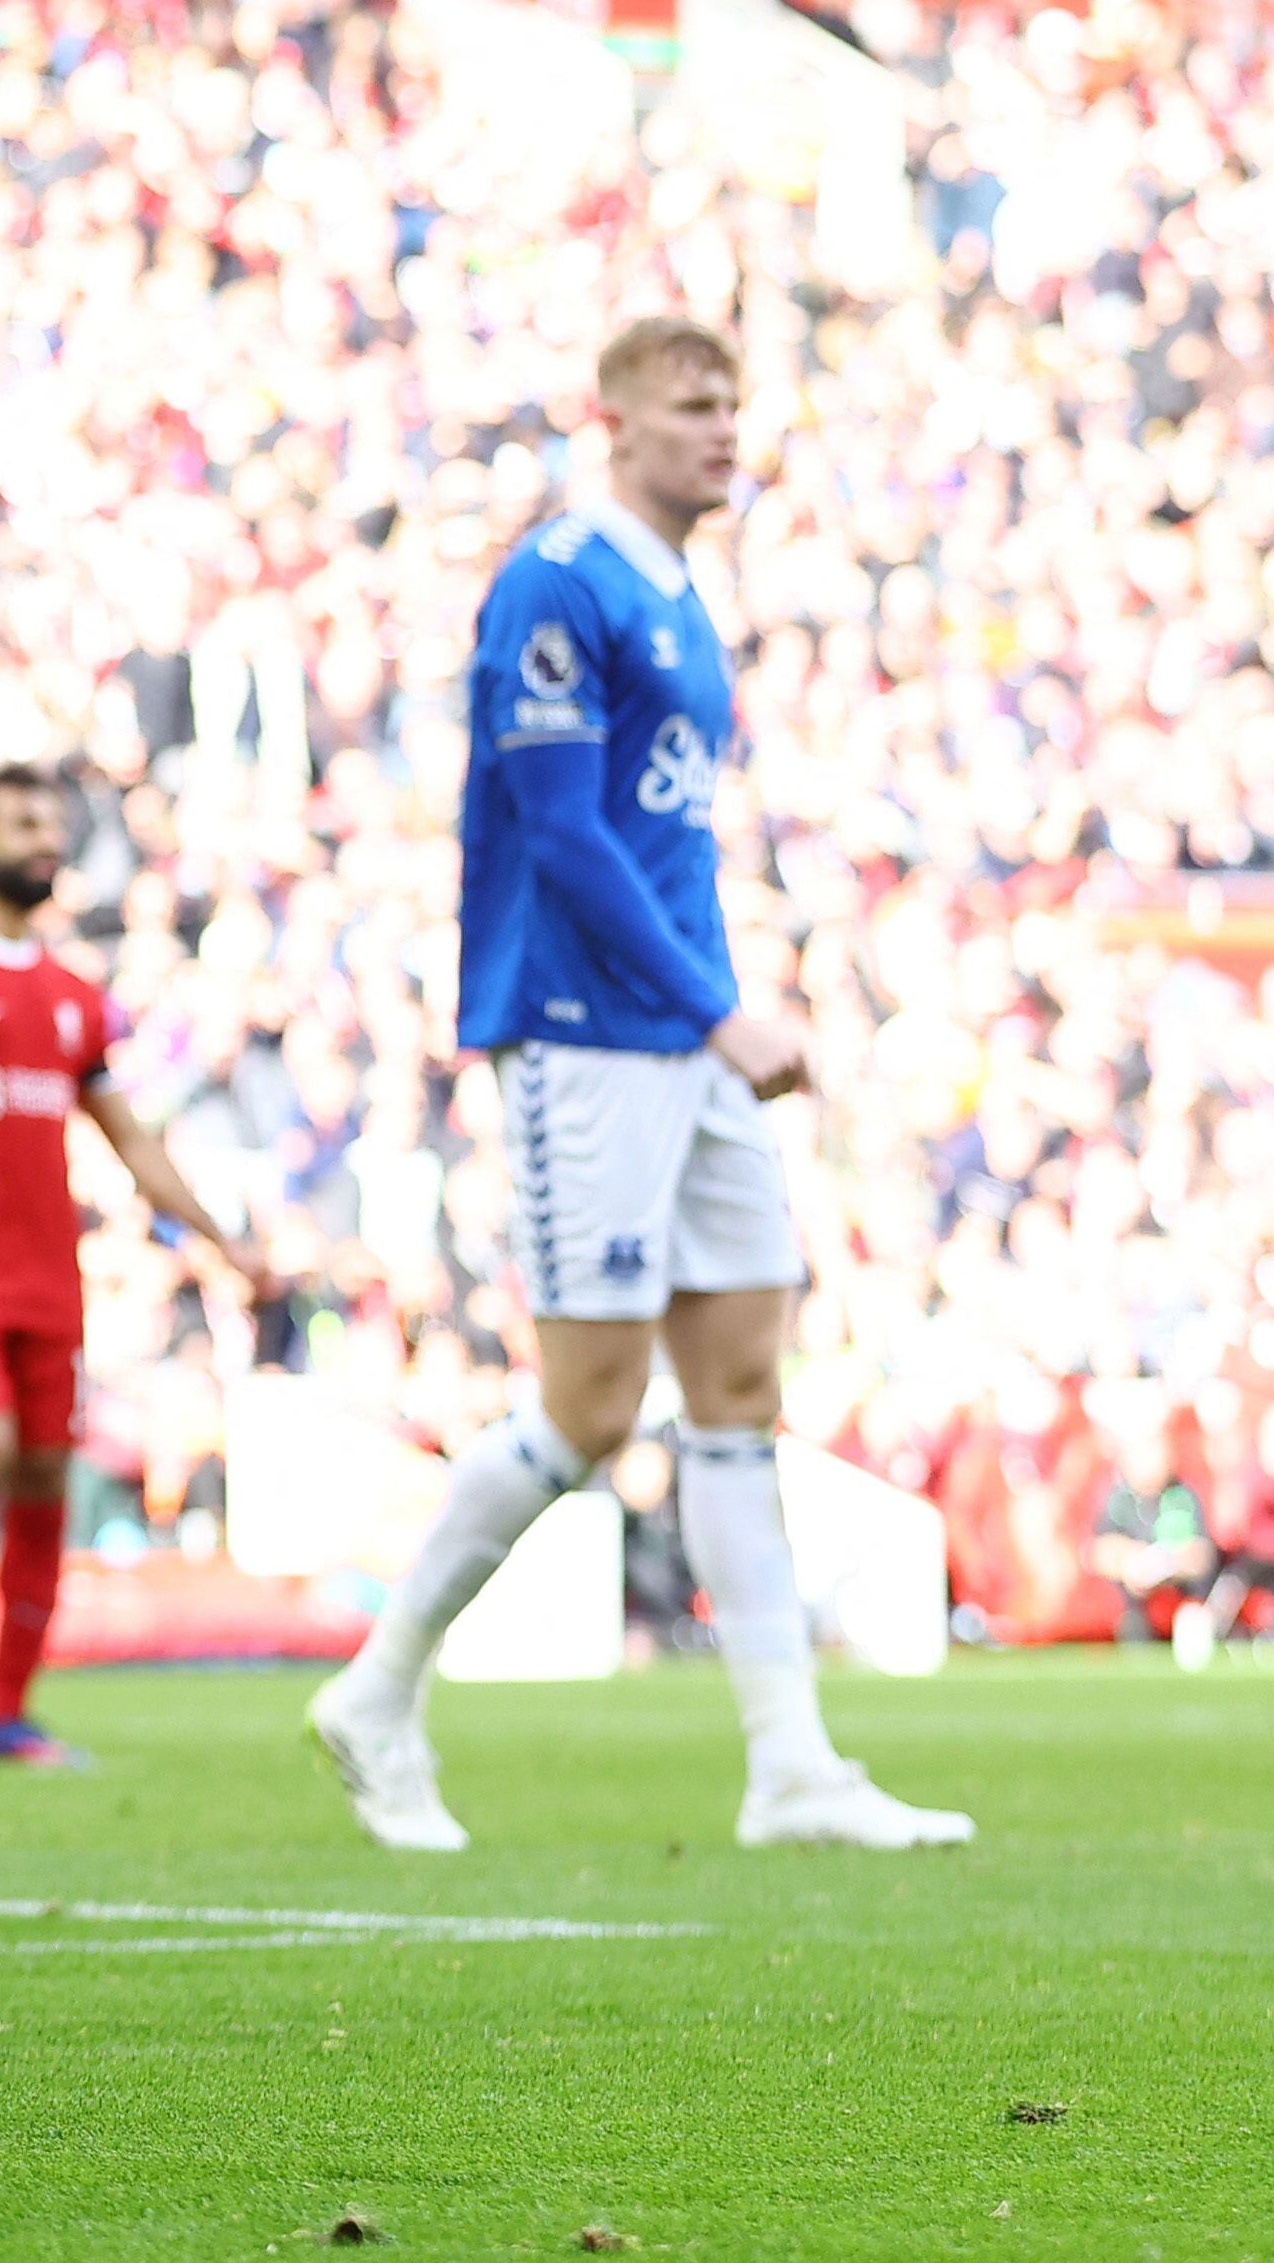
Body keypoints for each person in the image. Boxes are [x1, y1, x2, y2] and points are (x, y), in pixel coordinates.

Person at [306, 319, 970, 1856]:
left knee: (742, 1378)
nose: (724, 429)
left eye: (737, 403)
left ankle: (790, 1763)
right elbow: (563, 835)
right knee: (592, 1408)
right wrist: (713, 1009)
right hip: (584, 1025)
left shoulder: (680, 594)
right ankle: (379, 1690)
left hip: (687, 1028)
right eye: (693, 405)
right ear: (612, 417)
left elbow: (659, 839)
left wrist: (719, 1010)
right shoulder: (559, 581)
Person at [0, 765, 265, 1766]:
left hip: (50, 1279)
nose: (47, 839)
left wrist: (220, 1235)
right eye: (22, 822)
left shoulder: (72, 994)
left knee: (43, 1473)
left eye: (53, 823)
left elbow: (130, 1139)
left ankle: (3, 1714)